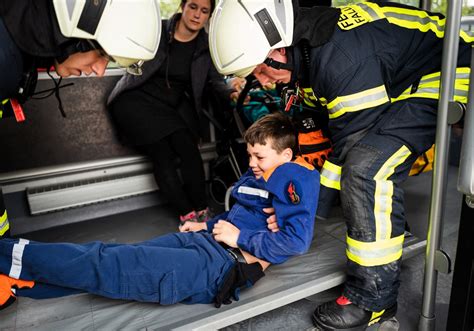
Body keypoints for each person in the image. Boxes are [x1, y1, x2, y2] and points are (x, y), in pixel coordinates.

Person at [208, 0, 472, 330]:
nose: (263, 81)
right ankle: (389, 226)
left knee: (367, 168)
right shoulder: (307, 51)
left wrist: (305, 209)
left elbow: (352, 145)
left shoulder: (341, 62)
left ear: (278, 51)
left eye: (261, 70)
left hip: (447, 71)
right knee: (340, 152)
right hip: (398, 75)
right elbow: (318, 133)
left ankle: (373, 299)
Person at [0, 112, 320, 310]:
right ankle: (20, 279)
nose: (251, 163)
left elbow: (296, 242)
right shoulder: (260, 173)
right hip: (206, 243)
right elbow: (241, 216)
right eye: (249, 154)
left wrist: (240, 236)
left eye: (259, 157)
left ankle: (8, 256)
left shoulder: (294, 178)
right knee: (108, 255)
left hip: (215, 266)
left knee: (105, 263)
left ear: (287, 154)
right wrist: (207, 227)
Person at [0, 0, 162, 239]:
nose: (99, 71)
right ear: (72, 38)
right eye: (100, 54)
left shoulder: (16, 40)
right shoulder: (5, 62)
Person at [107, 0, 235, 225]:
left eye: (204, 11)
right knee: (161, 153)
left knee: (188, 148)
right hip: (135, 99)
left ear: (209, 17)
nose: (197, 15)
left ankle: (203, 210)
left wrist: (232, 91)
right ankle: (187, 214)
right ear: (182, 7)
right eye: (193, 7)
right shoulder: (157, 31)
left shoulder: (206, 46)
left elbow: (215, 82)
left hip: (167, 106)